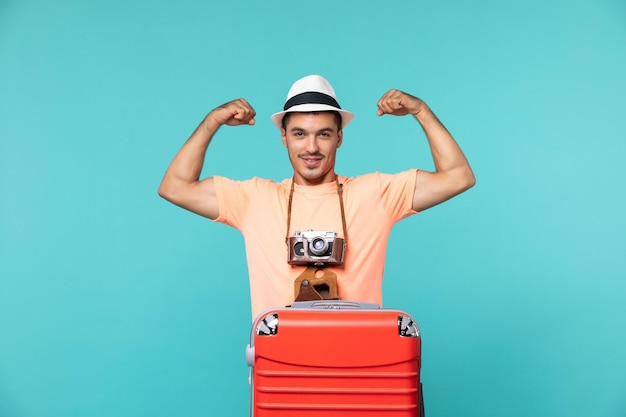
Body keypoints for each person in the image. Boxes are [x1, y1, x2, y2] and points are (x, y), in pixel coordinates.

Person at [158, 75, 475, 319]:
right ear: (283, 137)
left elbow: (458, 177)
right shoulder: (254, 198)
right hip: (281, 367)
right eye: (299, 133)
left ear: (340, 137)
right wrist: (212, 121)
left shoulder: (375, 194)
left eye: (323, 133)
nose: (311, 147)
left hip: (359, 366)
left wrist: (421, 110)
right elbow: (174, 186)